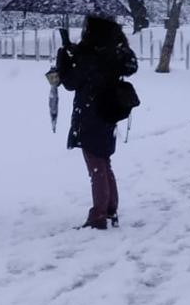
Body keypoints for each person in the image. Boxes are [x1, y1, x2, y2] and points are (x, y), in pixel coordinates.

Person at [54, 15, 138, 229]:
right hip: (109, 109)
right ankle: (110, 208)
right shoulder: (113, 48)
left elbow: (72, 82)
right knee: (104, 160)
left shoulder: (90, 53)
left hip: (91, 111)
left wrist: (64, 58)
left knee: (96, 165)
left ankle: (99, 214)